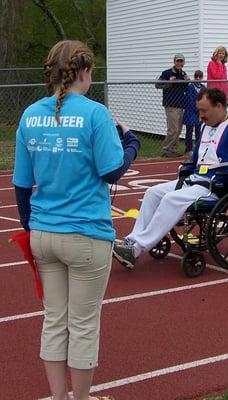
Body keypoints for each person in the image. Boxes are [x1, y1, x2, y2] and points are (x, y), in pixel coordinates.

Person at [12, 40, 140, 400]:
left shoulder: (29, 115)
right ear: (85, 72)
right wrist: (130, 141)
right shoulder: (95, 114)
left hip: (44, 232)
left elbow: (21, 184)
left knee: (55, 320)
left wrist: (30, 227)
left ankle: (58, 397)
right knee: (83, 325)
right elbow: (112, 170)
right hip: (86, 234)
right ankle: (81, 398)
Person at [113, 87, 228, 269]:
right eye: (199, 110)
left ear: (219, 106)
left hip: (218, 187)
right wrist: (186, 167)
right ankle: (131, 241)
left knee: (170, 199)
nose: (200, 115)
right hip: (197, 180)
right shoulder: (206, 127)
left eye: (204, 110)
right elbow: (197, 159)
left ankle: (137, 249)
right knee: (152, 192)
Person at [155, 53, 190, 158]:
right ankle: (166, 149)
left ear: (183, 63)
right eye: (178, 61)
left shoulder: (183, 74)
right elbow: (157, 85)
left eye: (181, 61)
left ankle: (173, 149)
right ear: (174, 62)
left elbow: (184, 89)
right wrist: (169, 82)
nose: (179, 63)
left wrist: (187, 82)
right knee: (173, 129)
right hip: (171, 105)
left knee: (178, 129)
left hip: (180, 104)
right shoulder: (167, 73)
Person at [183, 69, 205, 155]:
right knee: (189, 129)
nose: (198, 78)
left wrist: (201, 110)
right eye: (196, 76)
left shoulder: (203, 88)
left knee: (198, 130)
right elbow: (190, 100)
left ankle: (198, 147)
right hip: (191, 112)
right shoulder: (191, 87)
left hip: (200, 112)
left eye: (200, 77)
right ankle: (188, 148)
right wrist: (197, 110)